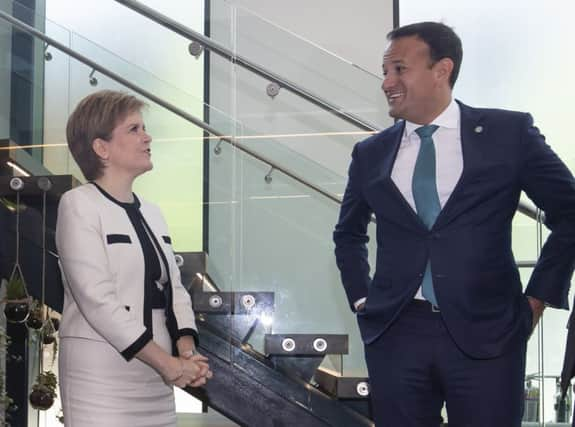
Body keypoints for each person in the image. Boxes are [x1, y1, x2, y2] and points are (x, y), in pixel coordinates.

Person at [333, 21, 575, 426]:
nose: (387, 82)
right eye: (384, 71)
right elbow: (348, 234)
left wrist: (537, 299)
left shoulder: (508, 134)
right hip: (396, 334)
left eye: (399, 69)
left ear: (441, 70)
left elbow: (570, 212)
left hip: (491, 333)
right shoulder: (370, 153)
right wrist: (362, 299)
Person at [56, 90, 212, 426]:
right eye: (134, 129)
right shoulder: (78, 204)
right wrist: (168, 364)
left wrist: (186, 352)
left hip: (155, 378)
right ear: (102, 148)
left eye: (144, 128)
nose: (147, 136)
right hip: (100, 378)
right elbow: (97, 299)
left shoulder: (153, 213)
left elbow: (175, 291)